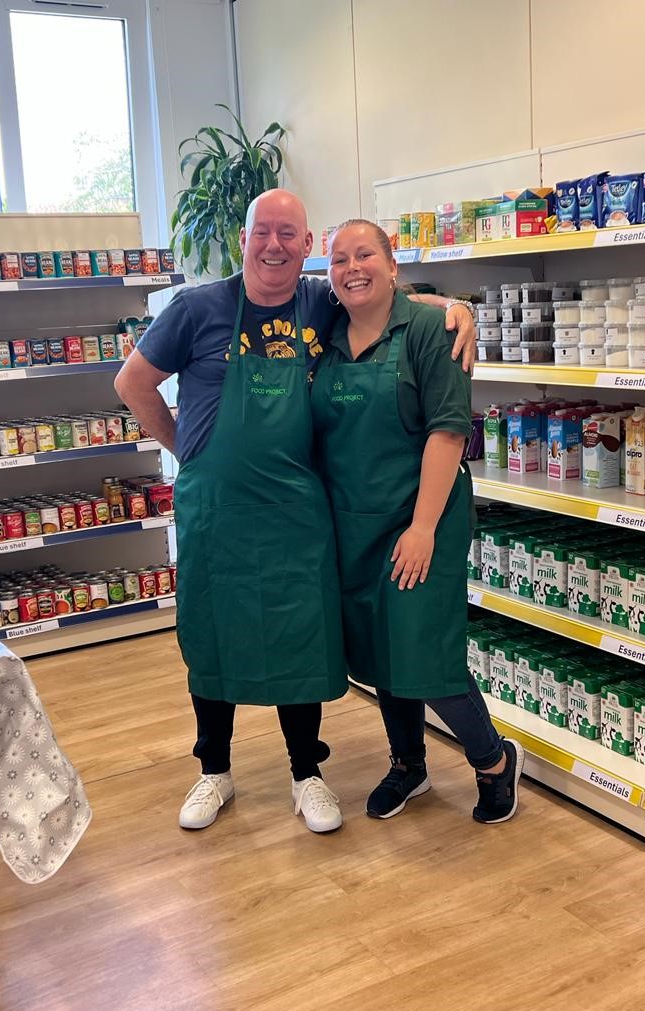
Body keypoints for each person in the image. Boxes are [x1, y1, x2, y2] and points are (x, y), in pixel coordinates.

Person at [114, 190, 477, 834]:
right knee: (212, 631)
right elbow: (132, 383)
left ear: (306, 247)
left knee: (300, 634)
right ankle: (213, 771)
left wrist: (456, 308)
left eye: (288, 233)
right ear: (244, 239)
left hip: (296, 509)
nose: (274, 244)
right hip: (217, 509)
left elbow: (390, 303)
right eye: (263, 231)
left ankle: (307, 773)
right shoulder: (198, 309)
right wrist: (186, 450)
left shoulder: (320, 303)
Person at [311, 218, 524, 824]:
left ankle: (493, 760)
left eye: (365, 255)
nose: (353, 268)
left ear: (392, 263)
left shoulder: (433, 330)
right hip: (353, 523)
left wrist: (423, 526)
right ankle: (409, 764)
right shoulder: (322, 334)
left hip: (420, 518)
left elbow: (449, 429)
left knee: (425, 653)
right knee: (381, 652)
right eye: (339, 260)